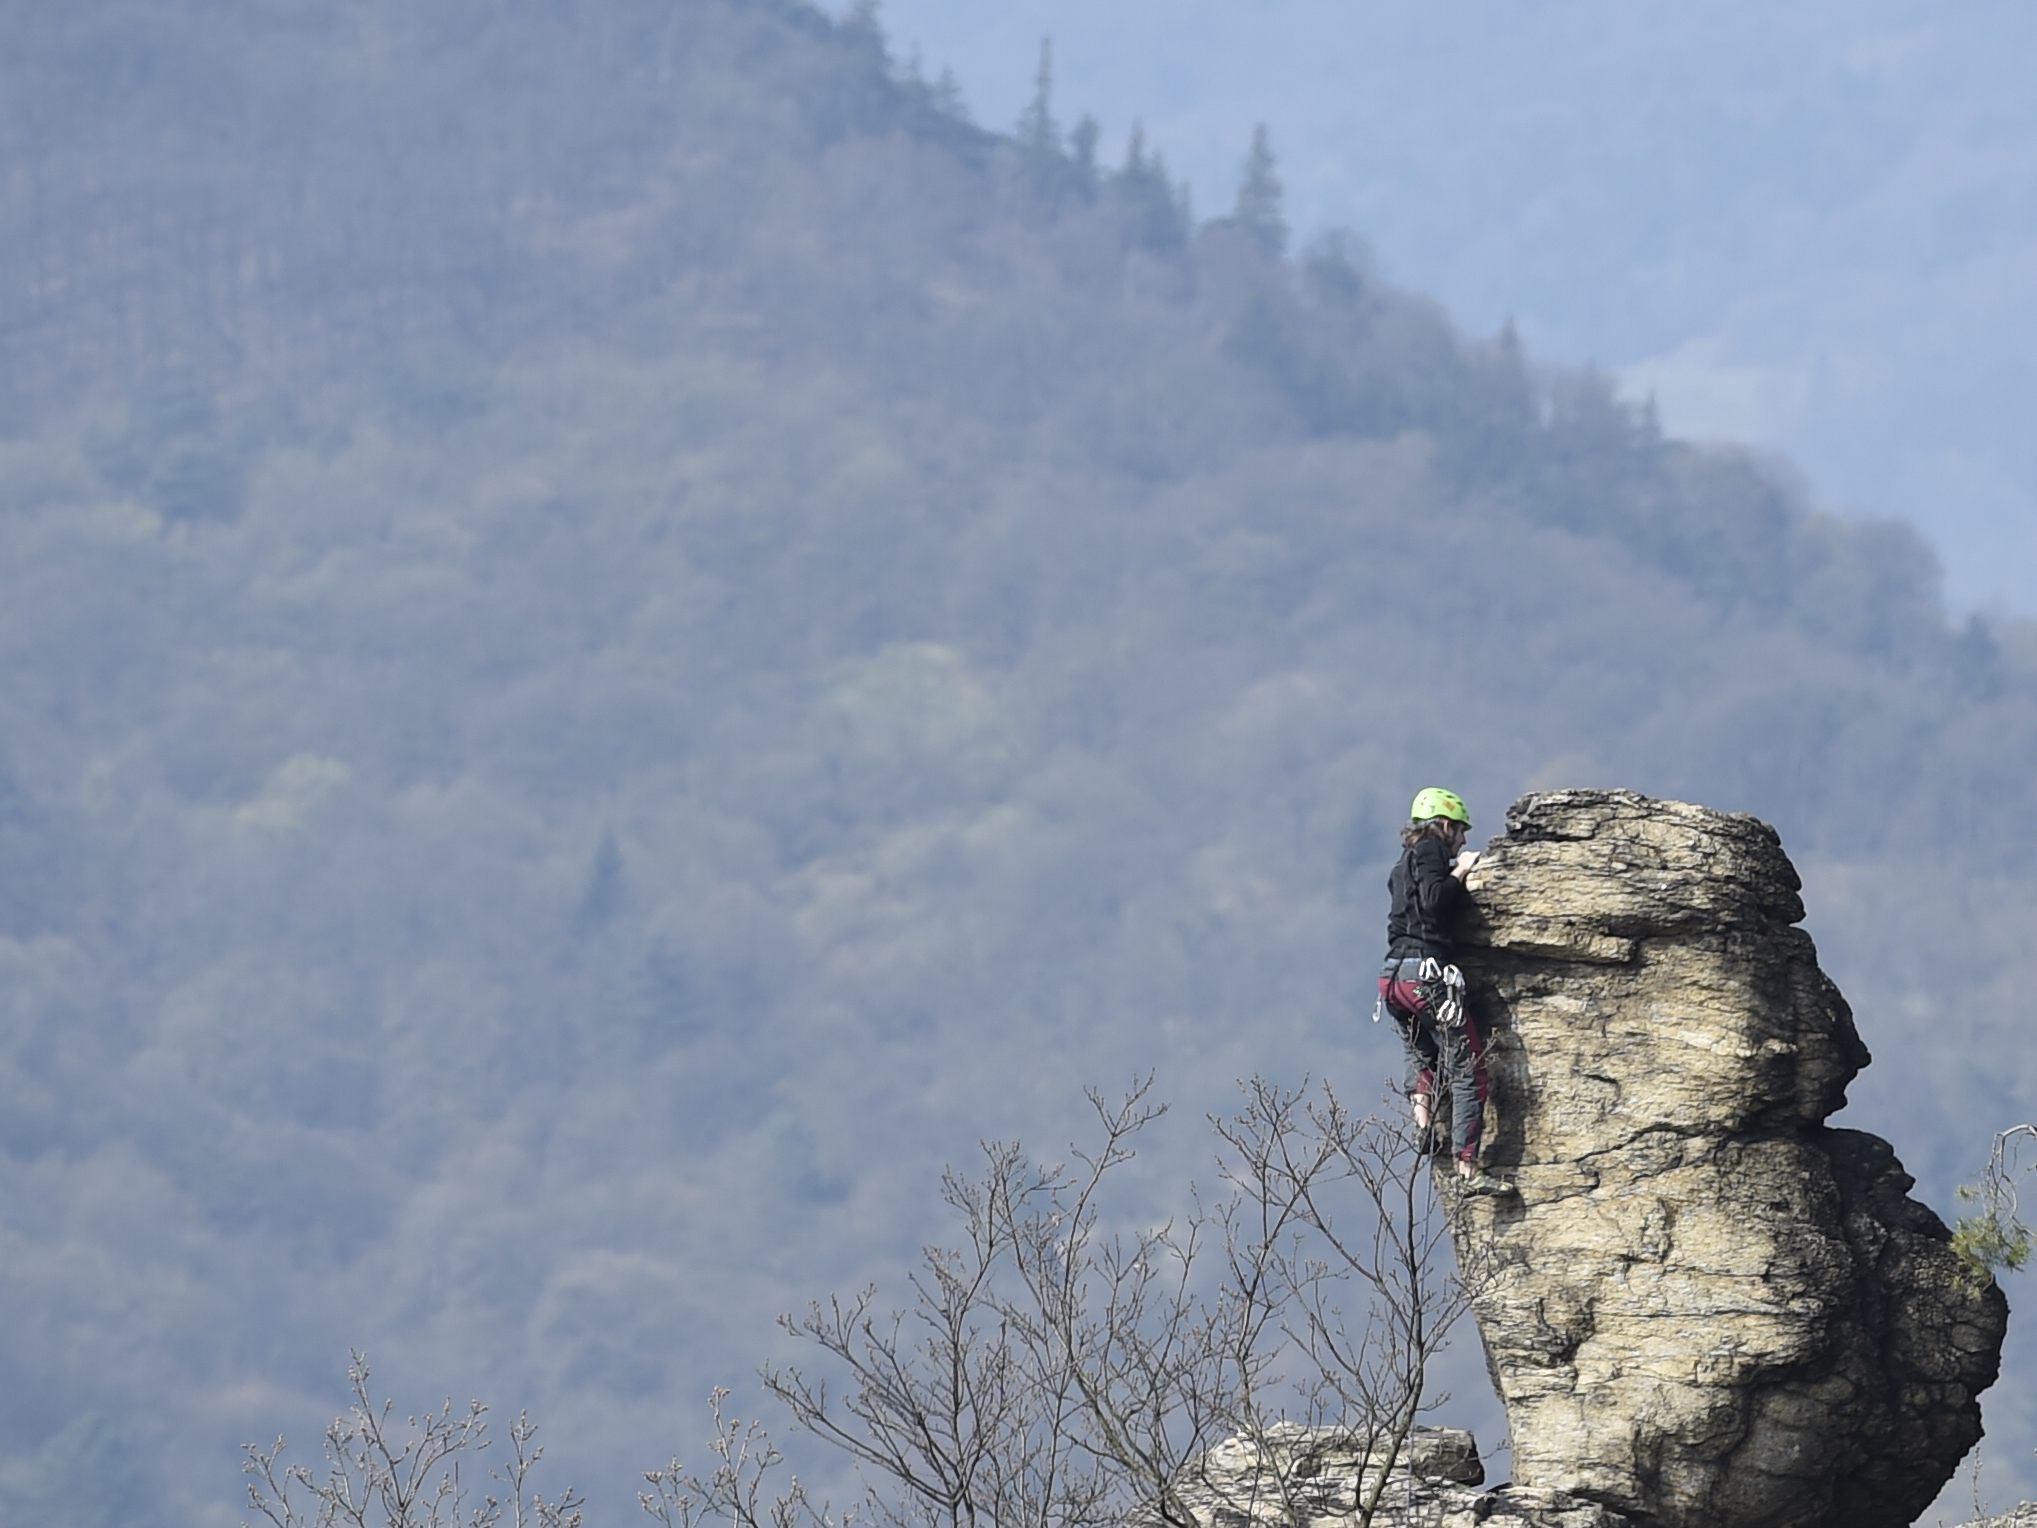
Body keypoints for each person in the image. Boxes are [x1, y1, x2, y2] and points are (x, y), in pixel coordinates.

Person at [1378, 787, 1514, 1196]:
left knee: (1421, 1054)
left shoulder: (1402, 866)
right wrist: (1463, 870)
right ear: (1444, 825)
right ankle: (1468, 1168)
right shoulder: (1432, 850)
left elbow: (1416, 903)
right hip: (1427, 973)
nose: (1463, 840)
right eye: (1460, 831)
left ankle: (1423, 1127)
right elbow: (1437, 901)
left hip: (1393, 978)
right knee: (1469, 1068)